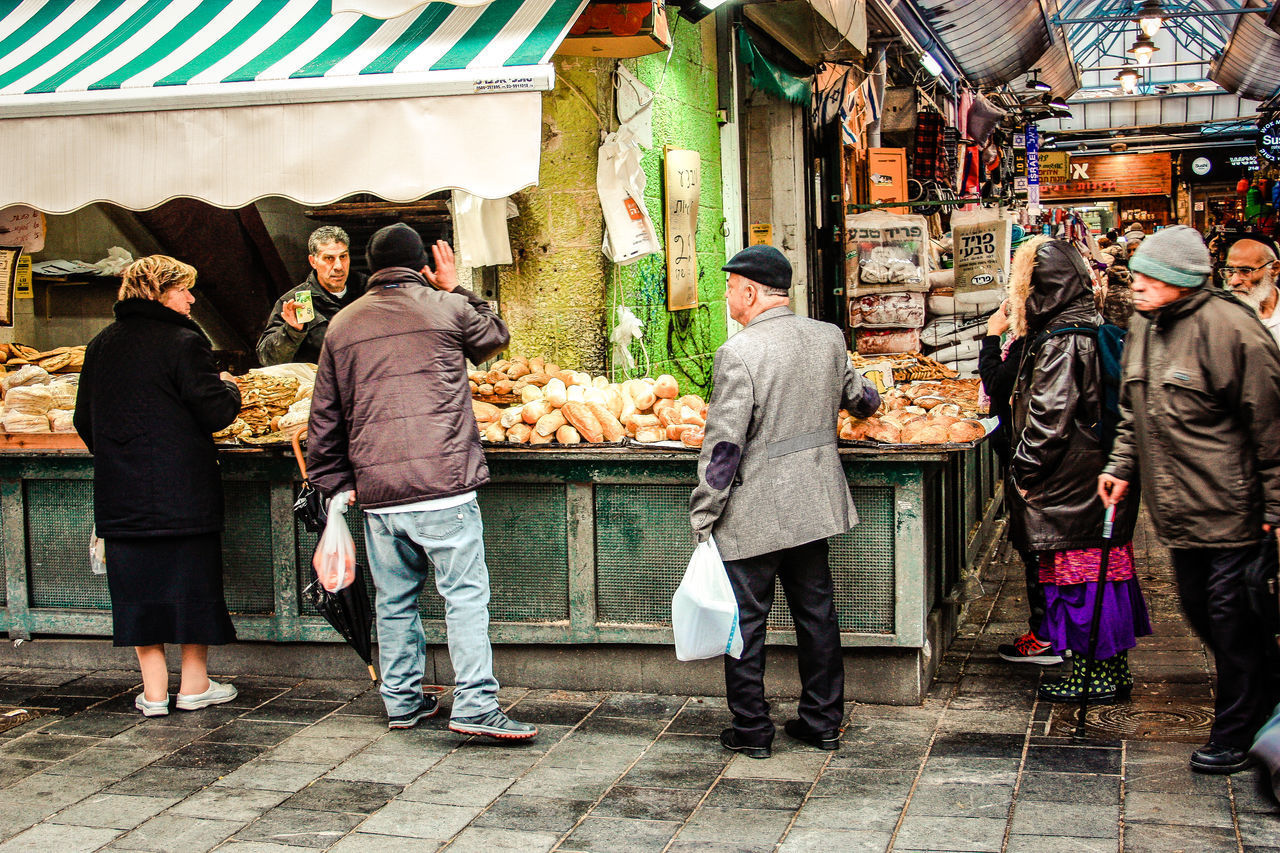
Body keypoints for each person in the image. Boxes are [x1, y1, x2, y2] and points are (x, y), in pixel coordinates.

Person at [307, 223, 536, 740]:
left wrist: (336, 482)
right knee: (465, 597)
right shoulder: (445, 306)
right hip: (444, 486)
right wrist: (455, 286)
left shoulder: (342, 324)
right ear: (422, 264)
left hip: (379, 495)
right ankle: (476, 705)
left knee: (393, 602)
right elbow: (493, 338)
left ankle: (402, 702)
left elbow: (323, 416)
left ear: (368, 264)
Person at [1099, 225, 1280, 775]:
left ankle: (1237, 731)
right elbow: (1136, 410)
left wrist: (1275, 508)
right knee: (1203, 617)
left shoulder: (1232, 330)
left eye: (1147, 278)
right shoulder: (1144, 326)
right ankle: (1264, 698)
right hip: (1178, 515)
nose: (1136, 287)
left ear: (1179, 280)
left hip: (1233, 512)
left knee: (1231, 623)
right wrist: (1121, 466)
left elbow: (1271, 428)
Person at [688, 244, 881, 759]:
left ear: (750, 292)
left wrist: (704, 513)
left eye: (730, 288)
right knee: (816, 614)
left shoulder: (740, 353)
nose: (727, 298)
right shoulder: (828, 338)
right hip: (814, 503)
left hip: (753, 511)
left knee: (745, 622)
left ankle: (753, 732)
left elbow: (724, 446)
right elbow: (863, 400)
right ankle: (822, 722)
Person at [74, 255, 243, 717]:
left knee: (136, 593)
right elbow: (215, 411)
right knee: (192, 587)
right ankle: (194, 686)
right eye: (183, 290)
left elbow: (82, 420)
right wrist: (230, 387)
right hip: (183, 494)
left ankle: (153, 694)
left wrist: (122, 454)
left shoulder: (100, 345)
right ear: (155, 291)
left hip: (122, 495)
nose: (191, 299)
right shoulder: (184, 341)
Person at [1004, 237, 1149, 704]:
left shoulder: (1064, 340)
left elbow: (1050, 419)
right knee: (1097, 578)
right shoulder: (1087, 325)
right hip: (1086, 480)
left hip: (1070, 486)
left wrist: (1021, 470)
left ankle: (1097, 675)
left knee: (1083, 585)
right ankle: (1107, 671)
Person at [979, 303, 1057, 666]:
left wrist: (992, 335)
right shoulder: (1046, 338)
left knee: (1038, 548)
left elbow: (997, 383)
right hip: (1036, 461)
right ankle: (1053, 634)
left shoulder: (1033, 341)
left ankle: (1046, 638)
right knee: (1043, 550)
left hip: (1033, 462)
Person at [256, 226, 367, 365]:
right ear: (313, 261)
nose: (339, 266)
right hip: (318, 383)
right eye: (329, 258)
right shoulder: (295, 301)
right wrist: (292, 332)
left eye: (343, 256)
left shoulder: (369, 291)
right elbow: (267, 359)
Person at [1222, 237, 1280, 346]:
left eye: (1245, 271)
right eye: (1230, 271)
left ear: (1274, 269)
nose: (1233, 281)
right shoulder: (1217, 317)